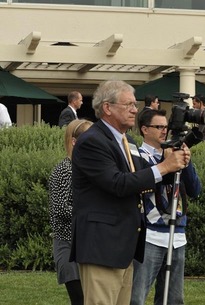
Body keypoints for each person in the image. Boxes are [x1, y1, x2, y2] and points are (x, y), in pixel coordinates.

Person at [70, 80, 188, 305]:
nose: (136, 110)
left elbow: (141, 179)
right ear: (107, 107)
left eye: (135, 104)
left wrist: (171, 164)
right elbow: (117, 183)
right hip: (102, 247)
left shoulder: (127, 141)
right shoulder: (92, 141)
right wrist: (163, 167)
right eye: (129, 105)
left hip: (125, 246)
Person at [131, 109, 201, 305]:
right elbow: (144, 185)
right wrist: (167, 162)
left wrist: (186, 163)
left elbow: (195, 190)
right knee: (137, 297)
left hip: (177, 236)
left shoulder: (175, 154)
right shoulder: (138, 155)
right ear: (145, 129)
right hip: (150, 234)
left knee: (174, 299)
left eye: (166, 127)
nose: (164, 131)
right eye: (159, 127)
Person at [48, 119, 93, 305]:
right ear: (74, 141)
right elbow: (59, 209)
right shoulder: (64, 170)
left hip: (86, 244)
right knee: (80, 300)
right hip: (68, 245)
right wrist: (92, 214)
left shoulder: (87, 169)